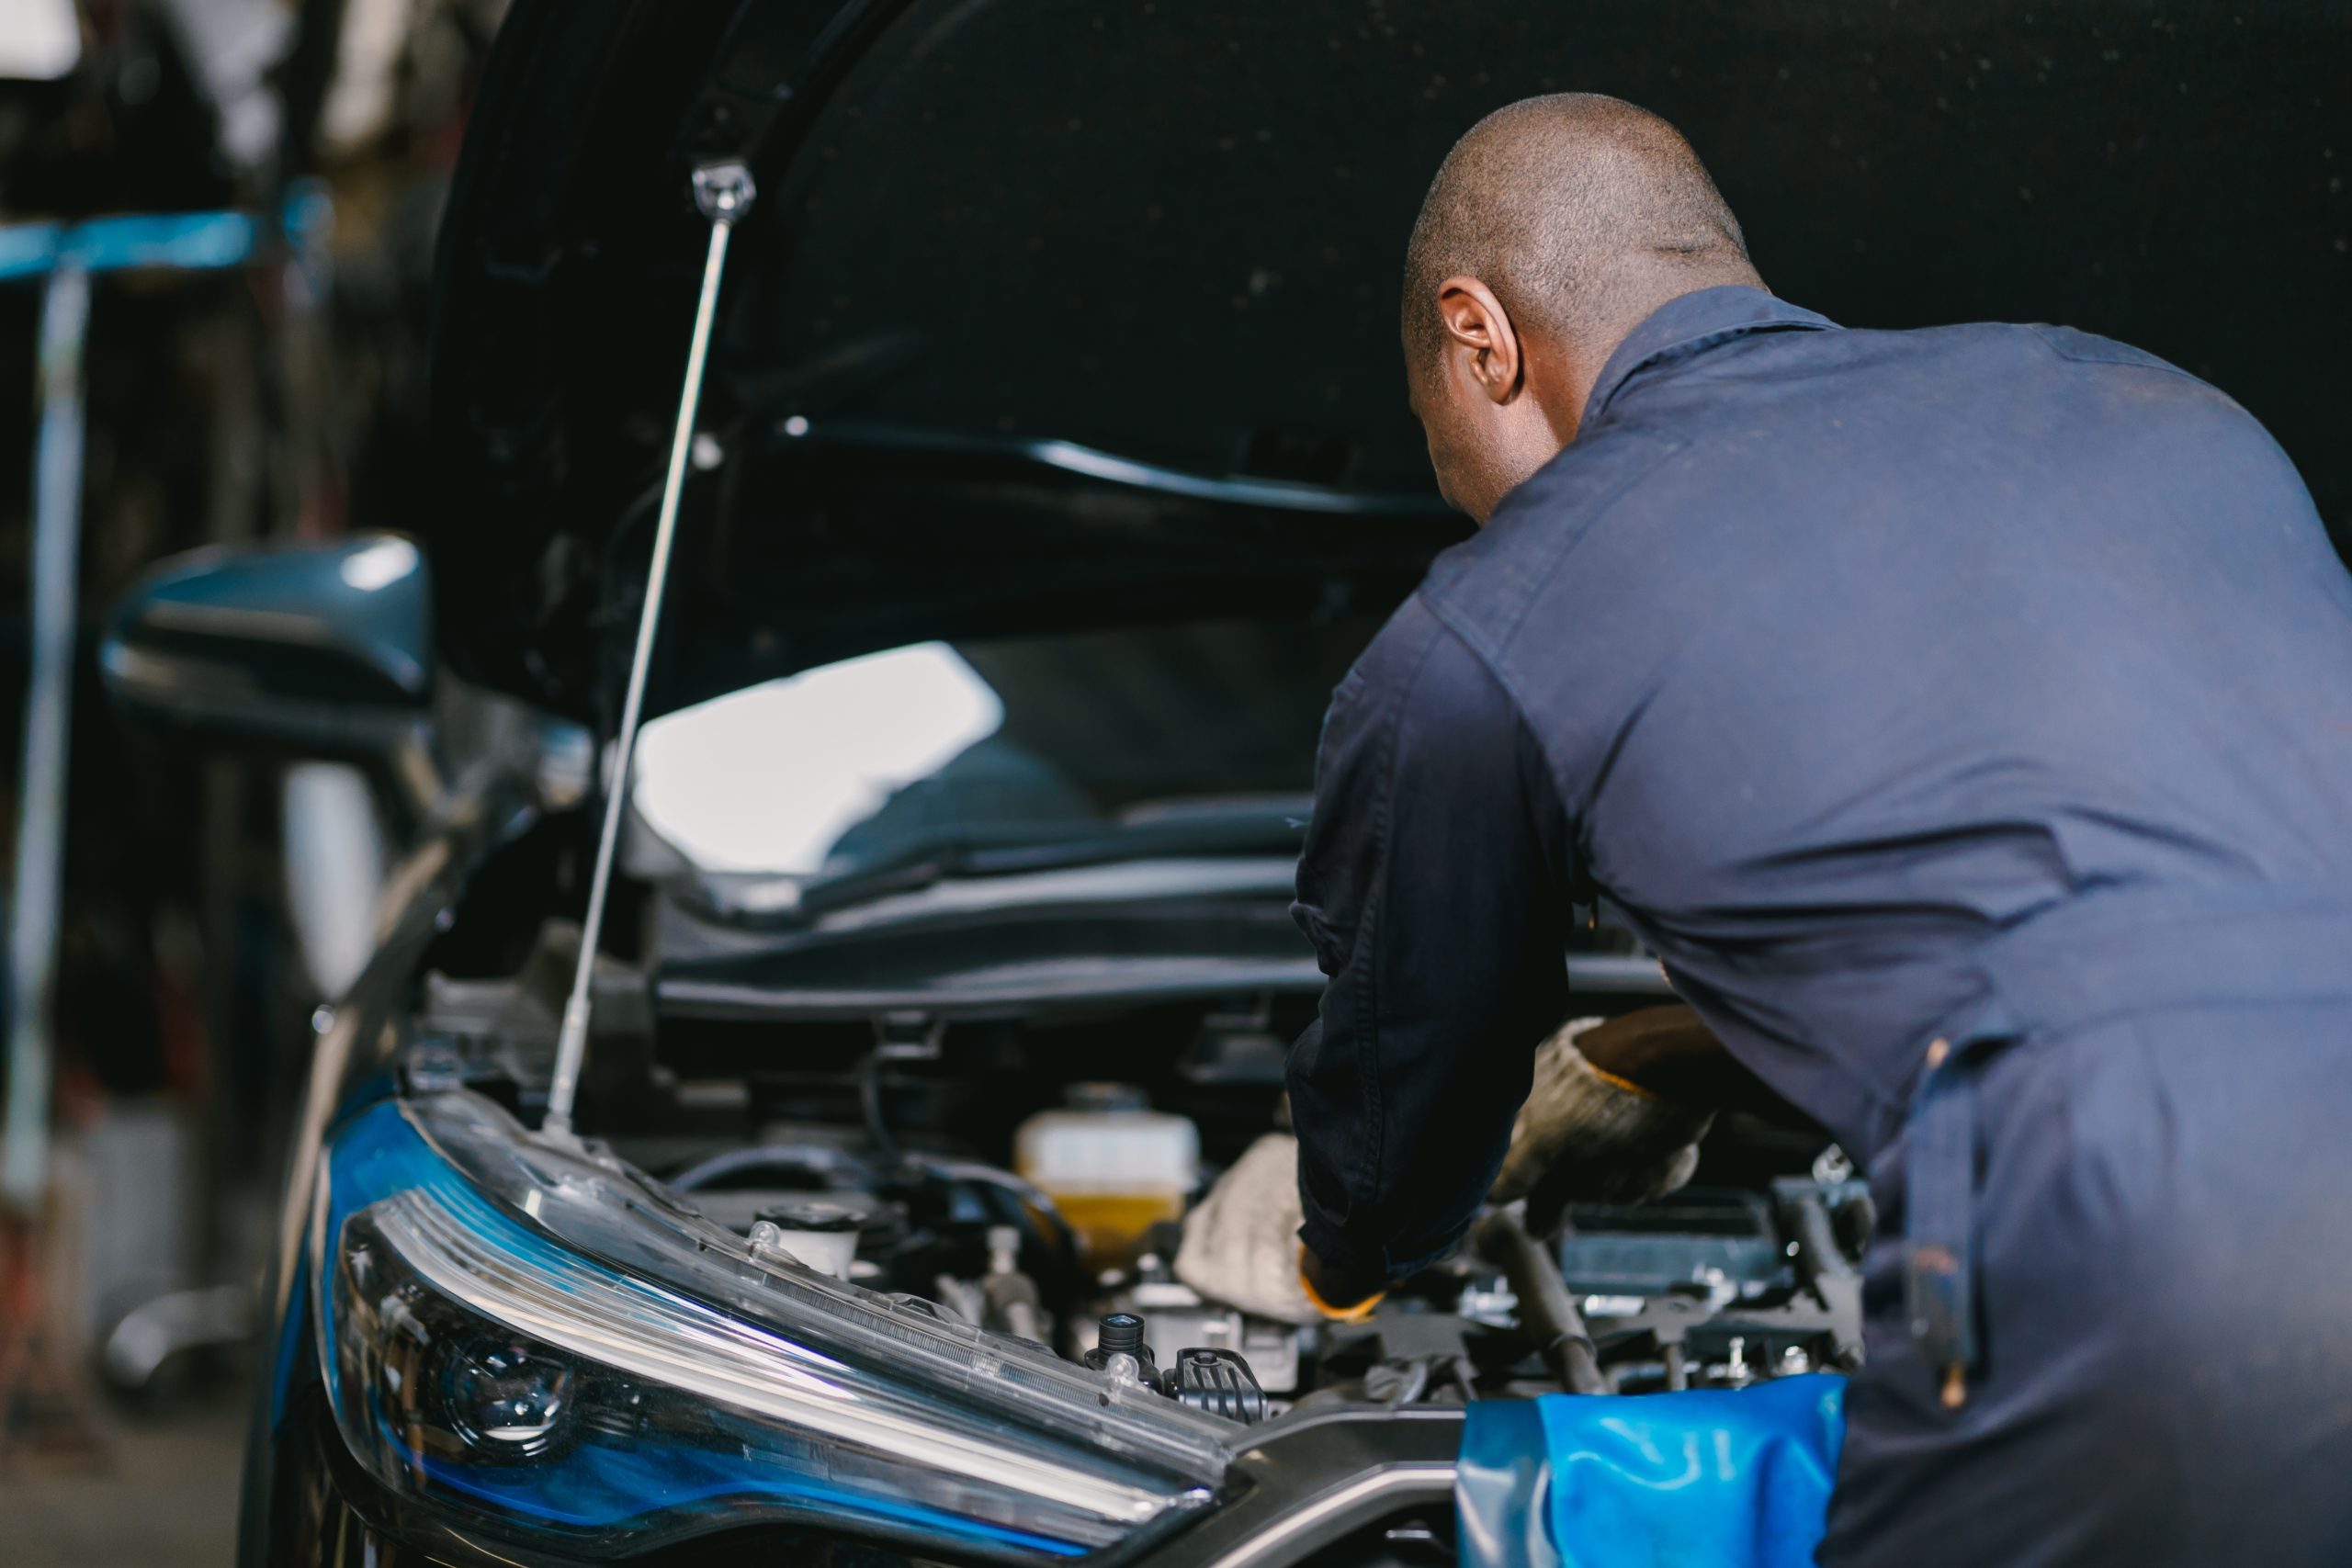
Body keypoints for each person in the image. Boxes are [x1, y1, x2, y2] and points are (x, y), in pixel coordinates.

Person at [1173, 93, 2352, 1565]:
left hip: (2149, 1282)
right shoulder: (2147, 404)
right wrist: (1647, 1049)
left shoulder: (1490, 628)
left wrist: (1329, 1246)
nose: (1462, 500)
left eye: (1434, 434)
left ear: (1479, 338)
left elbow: (1409, 1117)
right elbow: (2144, 913)